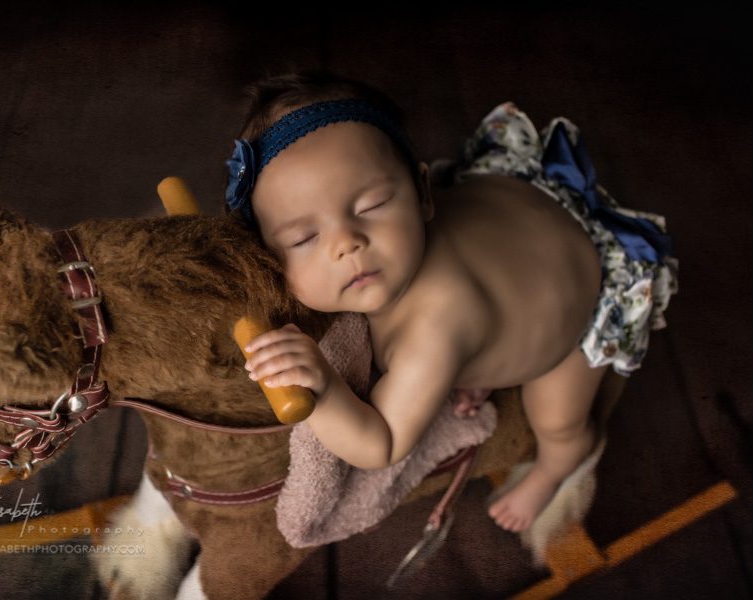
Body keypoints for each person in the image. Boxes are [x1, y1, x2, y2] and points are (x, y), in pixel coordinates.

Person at [223, 70, 678, 533]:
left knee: (557, 416)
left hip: (582, 290)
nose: (347, 244)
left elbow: (383, 443)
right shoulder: (407, 251)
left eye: (371, 206)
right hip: (519, 214)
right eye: (304, 237)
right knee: (482, 313)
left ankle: (560, 465)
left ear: (422, 194)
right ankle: (484, 348)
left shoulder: (434, 325)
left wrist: (323, 387)